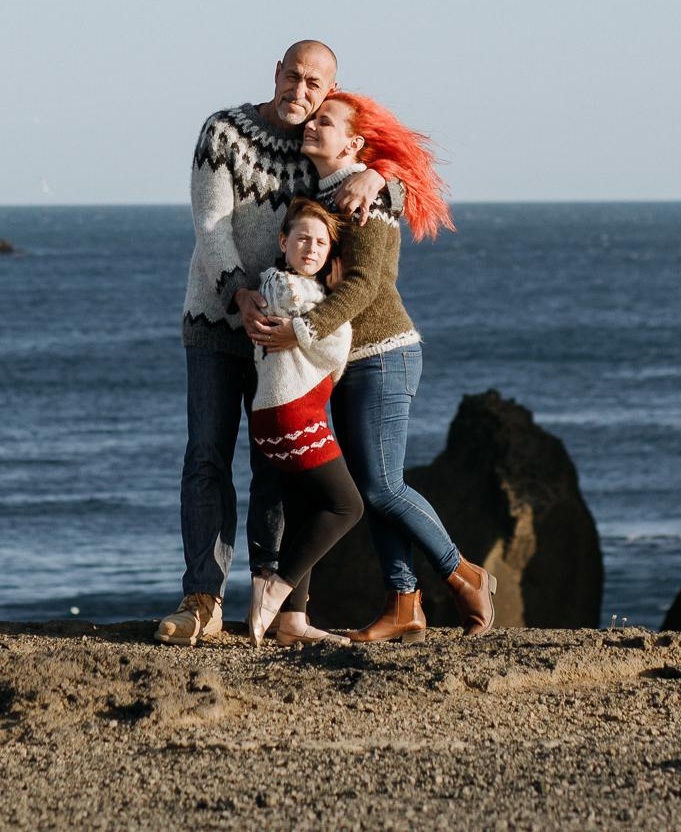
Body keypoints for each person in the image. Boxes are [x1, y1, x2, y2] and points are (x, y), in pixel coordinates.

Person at [160, 41, 394, 647]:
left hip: (282, 339)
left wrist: (376, 172)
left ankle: (276, 606)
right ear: (276, 73)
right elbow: (210, 224)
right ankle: (202, 600)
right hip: (218, 322)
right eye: (295, 76)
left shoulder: (319, 141)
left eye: (317, 85)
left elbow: (385, 170)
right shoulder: (225, 131)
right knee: (208, 457)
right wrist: (239, 295)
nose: (303, 92)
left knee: (278, 468)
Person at [243, 90, 496, 640]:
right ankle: (404, 603)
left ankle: (463, 574)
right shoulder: (331, 193)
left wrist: (300, 331)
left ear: (355, 142)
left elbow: (365, 284)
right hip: (352, 360)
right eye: (312, 121)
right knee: (374, 483)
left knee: (379, 489)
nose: (312, 127)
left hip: (384, 354)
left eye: (325, 122)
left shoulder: (364, 195)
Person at [239, 198, 364, 644]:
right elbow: (334, 349)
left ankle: (292, 621)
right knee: (347, 506)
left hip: (272, 414)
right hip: (294, 414)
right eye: (302, 238)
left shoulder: (271, 285)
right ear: (283, 241)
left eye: (321, 242)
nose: (311, 248)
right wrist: (333, 320)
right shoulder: (296, 292)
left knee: (305, 508)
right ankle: (278, 587)